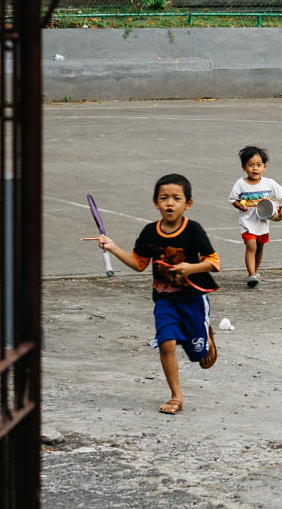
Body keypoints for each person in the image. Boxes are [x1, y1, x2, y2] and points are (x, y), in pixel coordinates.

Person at [94, 174, 221, 414]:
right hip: (165, 300)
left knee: (199, 355)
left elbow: (214, 263)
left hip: (193, 299)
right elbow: (138, 263)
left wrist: (190, 268)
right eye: (164, 198)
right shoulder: (149, 233)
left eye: (176, 198)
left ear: (188, 203)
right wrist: (112, 247)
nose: (170, 203)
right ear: (156, 202)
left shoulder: (193, 231)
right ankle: (176, 396)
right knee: (167, 343)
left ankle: (206, 337)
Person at [226, 145, 282, 288]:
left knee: (260, 247)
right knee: (251, 245)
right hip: (247, 222)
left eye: (259, 165)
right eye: (251, 165)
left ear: (264, 167)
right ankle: (251, 274)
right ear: (243, 167)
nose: (255, 168)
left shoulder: (269, 183)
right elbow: (232, 199)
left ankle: (256, 270)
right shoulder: (240, 184)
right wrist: (239, 205)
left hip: (262, 223)